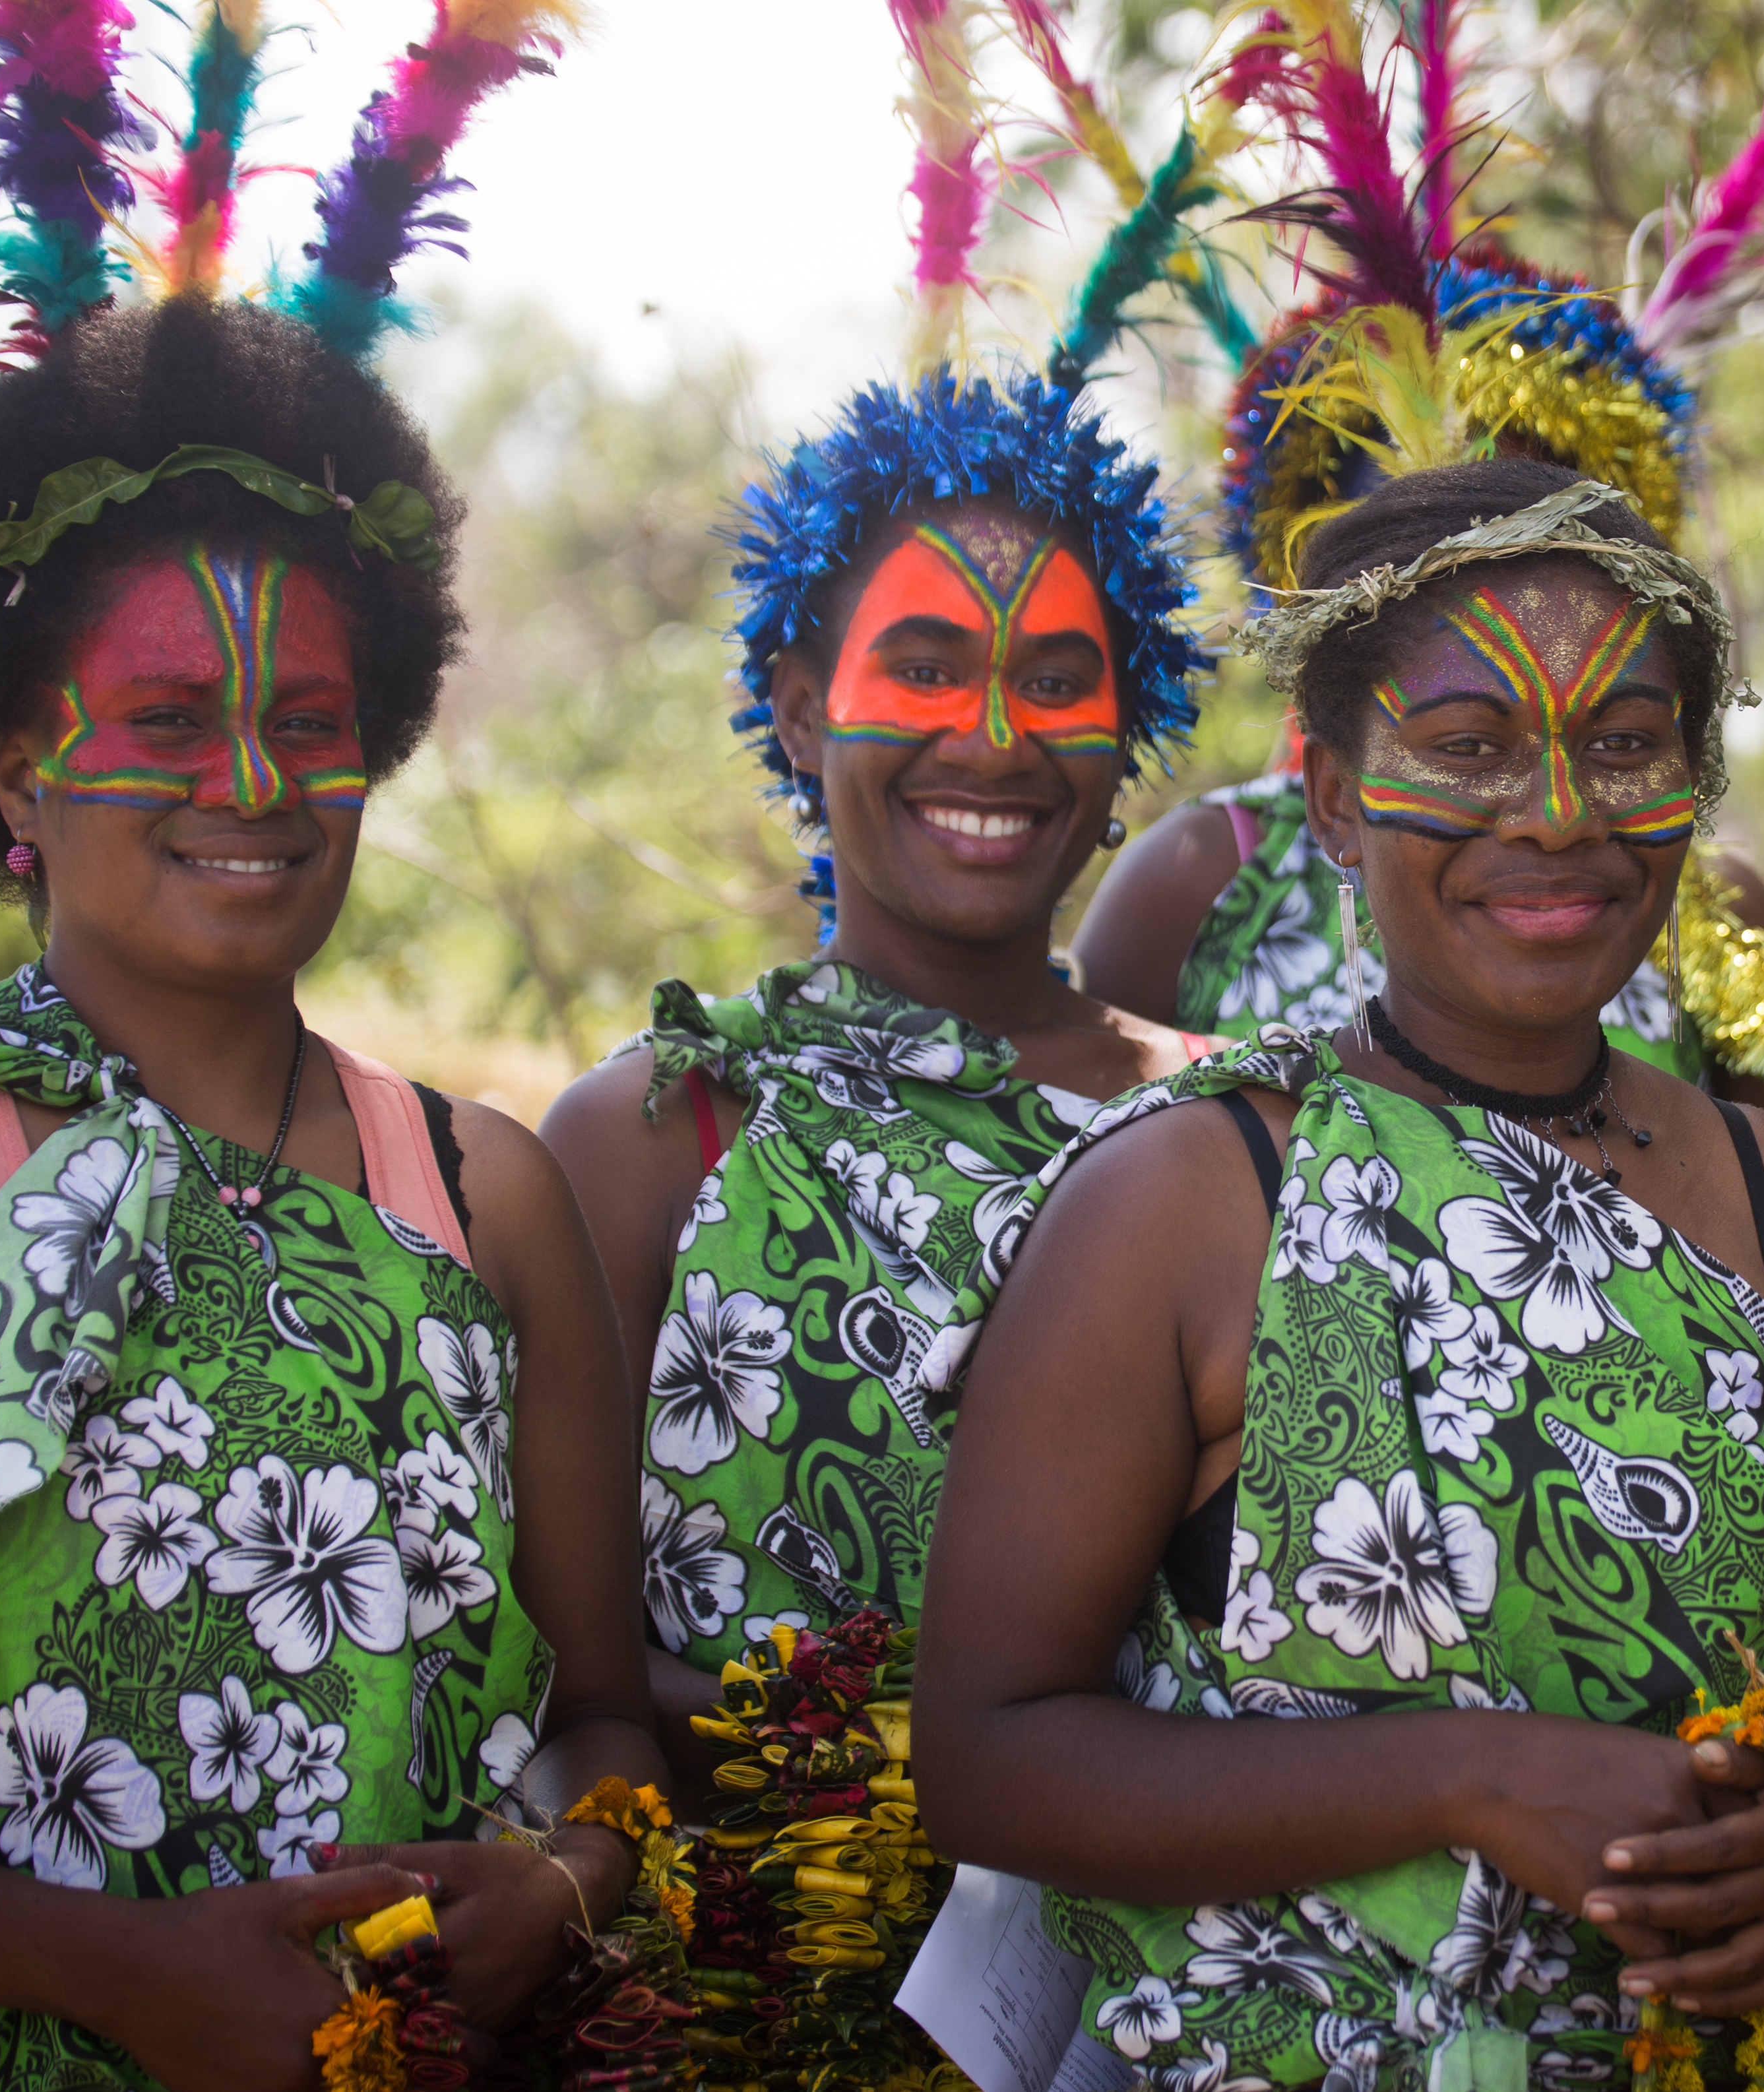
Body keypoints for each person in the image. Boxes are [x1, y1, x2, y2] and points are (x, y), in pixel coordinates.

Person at [0, 11, 666, 2085]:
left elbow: (611, 1719)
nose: (248, 780)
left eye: (308, 722)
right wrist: (111, 1968)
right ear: (14, 760)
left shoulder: (482, 1191)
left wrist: (566, 1881)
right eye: (166, 719)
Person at [914, 457, 1764, 2089]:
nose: (1558, 815)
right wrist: (1470, 1775)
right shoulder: (1193, 1190)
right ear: (1328, 797)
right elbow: (986, 1754)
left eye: (1625, 744)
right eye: (1467, 748)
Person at [534, 12, 1247, 2079]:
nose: (993, 742)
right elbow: (560, 1681)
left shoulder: (1236, 1127)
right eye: (921, 664)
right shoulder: (657, 1134)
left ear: (1128, 734)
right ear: (790, 695)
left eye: (1056, 678)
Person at [1069, 3, 1764, 1129]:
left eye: (1524, 533)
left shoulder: (1708, 913)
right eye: (1413, 549)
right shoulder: (1195, 886)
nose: (1481, 598)